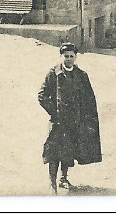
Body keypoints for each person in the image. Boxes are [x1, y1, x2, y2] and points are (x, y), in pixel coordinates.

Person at [37, 42, 101, 193]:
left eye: (72, 56)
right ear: (61, 57)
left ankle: (63, 178)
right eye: (66, 56)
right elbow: (42, 95)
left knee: (68, 151)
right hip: (58, 121)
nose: (69, 59)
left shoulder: (81, 75)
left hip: (74, 121)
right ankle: (52, 183)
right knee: (53, 152)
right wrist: (54, 112)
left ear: (76, 57)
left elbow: (89, 98)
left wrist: (86, 118)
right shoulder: (54, 73)